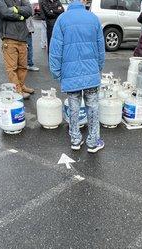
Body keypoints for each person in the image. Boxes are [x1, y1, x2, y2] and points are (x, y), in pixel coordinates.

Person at [49, 0, 106, 153]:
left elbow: (55, 50)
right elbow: (101, 49)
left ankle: (75, 140)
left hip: (70, 74)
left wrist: (57, 73)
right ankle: (93, 142)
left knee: (73, 108)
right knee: (93, 108)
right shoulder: (93, 18)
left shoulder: (62, 19)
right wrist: (98, 68)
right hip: (91, 74)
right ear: (83, 1)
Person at [0, 0, 35, 99]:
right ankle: (17, 90)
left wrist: (16, 9)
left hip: (23, 37)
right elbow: (4, 13)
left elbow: (29, 11)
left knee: (23, 66)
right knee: (12, 68)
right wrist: (20, 16)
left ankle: (21, 85)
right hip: (9, 37)